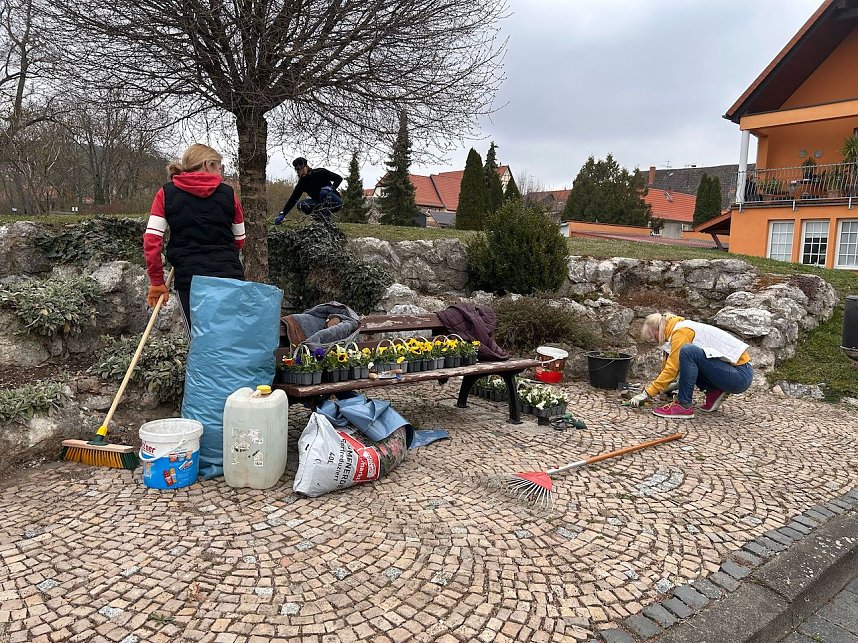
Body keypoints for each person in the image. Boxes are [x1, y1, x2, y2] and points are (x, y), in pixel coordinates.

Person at [143, 143, 246, 331]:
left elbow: (151, 241)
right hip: (229, 277)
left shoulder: (166, 193)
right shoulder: (229, 194)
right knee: (230, 339)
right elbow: (239, 240)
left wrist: (157, 282)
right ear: (207, 165)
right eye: (219, 167)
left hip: (190, 281)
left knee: (199, 341)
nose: (221, 174)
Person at [628, 312, 753, 419]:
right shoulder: (676, 330)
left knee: (688, 351)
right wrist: (664, 387)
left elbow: (672, 369)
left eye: (653, 336)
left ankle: (683, 405)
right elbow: (670, 366)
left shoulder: (681, 332)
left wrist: (647, 393)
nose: (654, 340)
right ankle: (713, 392)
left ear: (659, 329)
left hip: (740, 376)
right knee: (689, 355)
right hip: (735, 372)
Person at [274, 157, 342, 224]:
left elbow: (338, 178)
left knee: (323, 193)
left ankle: (326, 219)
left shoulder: (320, 172)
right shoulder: (302, 183)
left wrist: (332, 188)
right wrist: (283, 213)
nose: (300, 171)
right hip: (319, 203)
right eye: (298, 170)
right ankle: (319, 220)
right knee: (301, 204)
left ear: (306, 166)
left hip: (335, 202)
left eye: (302, 168)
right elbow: (293, 199)